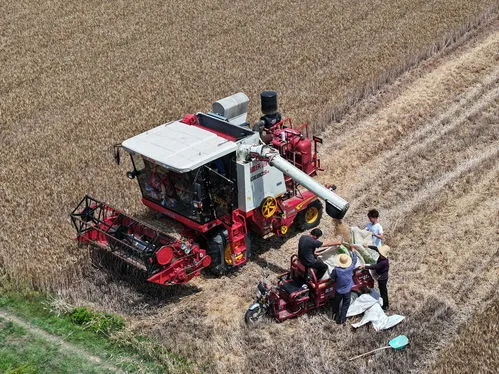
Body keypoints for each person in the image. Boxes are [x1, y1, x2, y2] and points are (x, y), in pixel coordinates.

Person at [330, 244, 358, 325]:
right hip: (347, 290)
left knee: (336, 303)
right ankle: (342, 320)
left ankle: (334, 316)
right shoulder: (350, 267)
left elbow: (332, 277)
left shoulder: (336, 270)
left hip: (338, 290)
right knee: (345, 305)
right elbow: (355, 260)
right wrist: (353, 250)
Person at [362, 245, 390, 311]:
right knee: (382, 290)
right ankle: (385, 302)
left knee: (383, 291)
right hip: (379, 275)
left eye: (380, 253)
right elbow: (376, 248)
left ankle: (385, 306)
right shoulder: (382, 256)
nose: (379, 253)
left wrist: (365, 266)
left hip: (382, 278)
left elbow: (375, 267)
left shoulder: (384, 262)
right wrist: (367, 246)